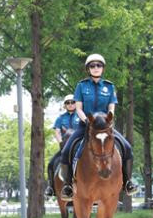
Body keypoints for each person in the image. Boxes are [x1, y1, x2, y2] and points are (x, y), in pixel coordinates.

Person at [59, 53, 137, 201]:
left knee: (127, 148)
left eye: (98, 65)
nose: (96, 68)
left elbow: (111, 107)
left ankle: (128, 182)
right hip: (87, 126)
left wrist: (109, 119)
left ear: (102, 68)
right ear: (88, 69)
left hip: (104, 127)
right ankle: (68, 186)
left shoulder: (109, 86)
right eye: (92, 66)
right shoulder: (81, 86)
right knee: (66, 151)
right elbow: (79, 108)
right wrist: (87, 121)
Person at [45, 94, 80, 197]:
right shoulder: (60, 118)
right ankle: (51, 187)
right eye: (67, 103)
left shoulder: (81, 115)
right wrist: (60, 143)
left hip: (79, 147)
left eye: (72, 102)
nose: (70, 104)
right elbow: (57, 131)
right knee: (51, 163)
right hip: (65, 147)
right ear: (65, 105)